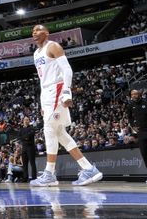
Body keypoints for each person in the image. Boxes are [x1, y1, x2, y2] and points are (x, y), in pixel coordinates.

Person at [30, 24, 102, 186]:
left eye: (38, 30)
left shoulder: (53, 46)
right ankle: (89, 169)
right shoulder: (36, 53)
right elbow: (43, 80)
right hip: (47, 94)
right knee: (60, 133)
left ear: (47, 33)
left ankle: (49, 173)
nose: (34, 33)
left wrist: (67, 91)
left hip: (57, 90)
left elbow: (67, 69)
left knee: (49, 129)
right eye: (33, 31)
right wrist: (42, 103)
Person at [18, 116, 38, 181]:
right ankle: (25, 177)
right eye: (25, 120)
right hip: (24, 148)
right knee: (25, 164)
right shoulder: (21, 129)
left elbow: (30, 135)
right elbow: (20, 137)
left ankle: (34, 177)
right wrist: (25, 137)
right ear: (23, 121)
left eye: (27, 120)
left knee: (32, 163)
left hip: (30, 147)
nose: (26, 121)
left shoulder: (32, 128)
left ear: (29, 121)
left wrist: (25, 137)